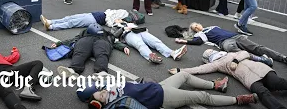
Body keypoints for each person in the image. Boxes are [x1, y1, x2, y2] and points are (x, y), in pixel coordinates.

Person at [169, 49, 287, 109]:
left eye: (212, 50)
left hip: (259, 68)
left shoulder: (230, 53)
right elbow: (199, 69)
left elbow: (245, 53)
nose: (213, 52)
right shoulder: (216, 64)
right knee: (262, 92)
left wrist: (235, 60)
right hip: (248, 78)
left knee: (277, 82)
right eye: (210, 53)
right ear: (209, 58)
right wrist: (181, 70)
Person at [77, 71, 257, 109]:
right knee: (202, 97)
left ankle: (216, 85)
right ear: (95, 103)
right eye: (99, 94)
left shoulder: (111, 91)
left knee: (184, 75)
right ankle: (238, 100)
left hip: (158, 86)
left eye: (100, 89)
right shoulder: (116, 106)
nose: (103, 91)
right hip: (163, 97)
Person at [175, 22, 287, 65]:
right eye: (195, 28)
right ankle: (262, 59)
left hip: (235, 36)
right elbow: (198, 41)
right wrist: (183, 40)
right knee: (233, 50)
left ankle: (282, 58)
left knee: (257, 47)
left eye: (196, 25)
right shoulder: (199, 35)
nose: (197, 27)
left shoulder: (213, 26)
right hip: (225, 41)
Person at [54, 23, 130, 79]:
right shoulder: (85, 33)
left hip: (99, 41)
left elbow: (115, 41)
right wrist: (59, 43)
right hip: (88, 40)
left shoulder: (107, 35)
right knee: (81, 52)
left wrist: (123, 47)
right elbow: (73, 39)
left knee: (101, 54)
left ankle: (101, 72)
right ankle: (72, 70)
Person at [111, 19, 187, 64]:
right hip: (128, 35)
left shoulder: (128, 22)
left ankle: (173, 53)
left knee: (156, 41)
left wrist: (141, 28)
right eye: (117, 19)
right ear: (115, 21)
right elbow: (114, 35)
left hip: (140, 32)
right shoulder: (114, 27)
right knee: (140, 44)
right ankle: (150, 56)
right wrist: (124, 28)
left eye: (120, 19)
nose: (119, 19)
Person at [40, 9, 129, 30]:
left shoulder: (116, 21)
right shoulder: (113, 12)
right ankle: (50, 21)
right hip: (91, 14)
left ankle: (51, 27)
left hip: (93, 19)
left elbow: (109, 23)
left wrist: (118, 22)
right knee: (70, 18)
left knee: (72, 23)